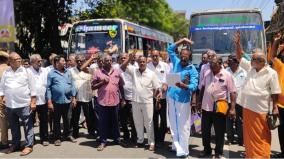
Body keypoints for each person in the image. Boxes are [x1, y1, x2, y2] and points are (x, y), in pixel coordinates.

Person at [235, 33, 281, 158]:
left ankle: (263, 156)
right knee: (249, 137)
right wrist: (237, 44)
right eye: (252, 59)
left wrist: (275, 107)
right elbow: (239, 57)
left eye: (253, 59)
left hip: (261, 110)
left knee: (262, 136)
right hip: (247, 108)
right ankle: (251, 156)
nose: (251, 61)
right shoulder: (251, 68)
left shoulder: (271, 73)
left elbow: (275, 91)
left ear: (261, 61)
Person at [121, 53, 161, 151]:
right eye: (140, 62)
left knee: (149, 123)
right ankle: (140, 140)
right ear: (137, 63)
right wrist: (129, 58)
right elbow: (123, 66)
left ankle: (151, 142)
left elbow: (157, 88)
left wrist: (157, 98)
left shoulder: (151, 74)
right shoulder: (134, 71)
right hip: (135, 101)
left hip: (147, 102)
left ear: (147, 62)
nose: (142, 63)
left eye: (144, 62)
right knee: (138, 123)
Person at [199, 55, 237, 158]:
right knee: (205, 131)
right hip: (206, 107)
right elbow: (202, 88)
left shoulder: (226, 75)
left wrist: (232, 108)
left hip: (219, 107)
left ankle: (218, 152)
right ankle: (206, 150)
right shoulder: (207, 73)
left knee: (219, 132)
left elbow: (233, 92)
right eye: (210, 63)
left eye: (213, 63)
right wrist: (199, 102)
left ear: (219, 63)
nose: (210, 65)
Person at [167, 38, 198, 157]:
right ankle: (176, 146)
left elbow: (194, 85)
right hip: (172, 98)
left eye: (186, 56)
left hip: (183, 101)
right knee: (173, 124)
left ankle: (184, 151)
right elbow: (170, 49)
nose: (183, 57)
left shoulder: (192, 69)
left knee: (183, 126)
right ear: (180, 55)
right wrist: (183, 40)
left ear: (189, 57)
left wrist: (185, 86)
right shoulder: (175, 62)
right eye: (182, 55)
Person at [0, 52, 36, 156]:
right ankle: (15, 144)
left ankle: (29, 146)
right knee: (14, 126)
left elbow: (33, 88)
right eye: (16, 59)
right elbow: (2, 88)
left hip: (24, 104)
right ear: (10, 62)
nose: (19, 60)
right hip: (10, 105)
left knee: (27, 126)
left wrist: (33, 102)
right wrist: (1, 98)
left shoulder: (27, 71)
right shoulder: (7, 72)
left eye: (20, 58)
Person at [92, 54, 124, 151]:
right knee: (103, 122)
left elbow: (121, 86)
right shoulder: (97, 72)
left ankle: (117, 139)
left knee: (115, 121)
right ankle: (103, 141)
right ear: (102, 61)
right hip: (103, 102)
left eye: (110, 60)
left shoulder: (117, 72)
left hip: (115, 101)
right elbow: (93, 87)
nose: (109, 62)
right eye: (107, 60)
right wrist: (102, 82)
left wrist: (123, 99)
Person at [46, 55, 77, 146]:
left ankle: (68, 135)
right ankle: (57, 138)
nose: (65, 62)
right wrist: (49, 102)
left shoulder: (68, 72)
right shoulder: (51, 73)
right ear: (57, 63)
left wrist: (74, 97)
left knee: (68, 119)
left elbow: (72, 85)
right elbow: (48, 88)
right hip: (56, 101)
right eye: (63, 61)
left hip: (67, 100)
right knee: (56, 120)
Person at [147, 50, 170, 146]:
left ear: (159, 56)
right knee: (154, 120)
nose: (155, 57)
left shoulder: (165, 66)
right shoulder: (148, 66)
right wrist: (154, 92)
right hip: (151, 97)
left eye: (156, 56)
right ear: (151, 56)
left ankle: (161, 139)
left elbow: (168, 80)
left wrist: (162, 91)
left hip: (163, 97)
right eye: (153, 56)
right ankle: (156, 140)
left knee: (164, 122)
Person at [70, 54, 96, 138]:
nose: (79, 62)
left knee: (89, 116)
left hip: (87, 96)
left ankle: (91, 132)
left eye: (81, 61)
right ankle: (75, 133)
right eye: (77, 61)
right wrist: (73, 97)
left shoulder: (89, 70)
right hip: (76, 97)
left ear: (85, 61)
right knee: (75, 117)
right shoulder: (71, 70)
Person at [267, 33, 284, 158]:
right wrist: (276, 42)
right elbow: (272, 56)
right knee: (282, 131)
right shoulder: (281, 67)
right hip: (281, 105)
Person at [28, 54, 49, 146]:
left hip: (43, 100)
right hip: (31, 101)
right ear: (32, 62)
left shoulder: (45, 71)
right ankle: (31, 140)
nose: (40, 63)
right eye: (38, 61)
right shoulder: (27, 71)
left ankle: (44, 138)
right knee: (30, 121)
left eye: (41, 61)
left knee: (44, 120)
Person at [226, 55, 247, 146]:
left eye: (230, 61)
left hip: (240, 101)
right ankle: (230, 138)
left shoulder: (244, 72)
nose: (228, 62)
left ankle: (241, 140)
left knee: (240, 121)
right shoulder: (226, 72)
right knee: (229, 120)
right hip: (228, 100)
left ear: (236, 62)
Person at [118, 53, 137, 142]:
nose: (123, 59)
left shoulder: (133, 69)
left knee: (133, 120)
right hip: (121, 99)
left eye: (125, 58)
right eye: (121, 58)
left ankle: (134, 137)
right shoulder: (117, 69)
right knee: (123, 120)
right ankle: (126, 135)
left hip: (132, 98)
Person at [0, 51, 9, 150]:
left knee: (2, 120)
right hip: (12, 96)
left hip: (1, 97)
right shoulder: (10, 69)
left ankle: (4, 141)